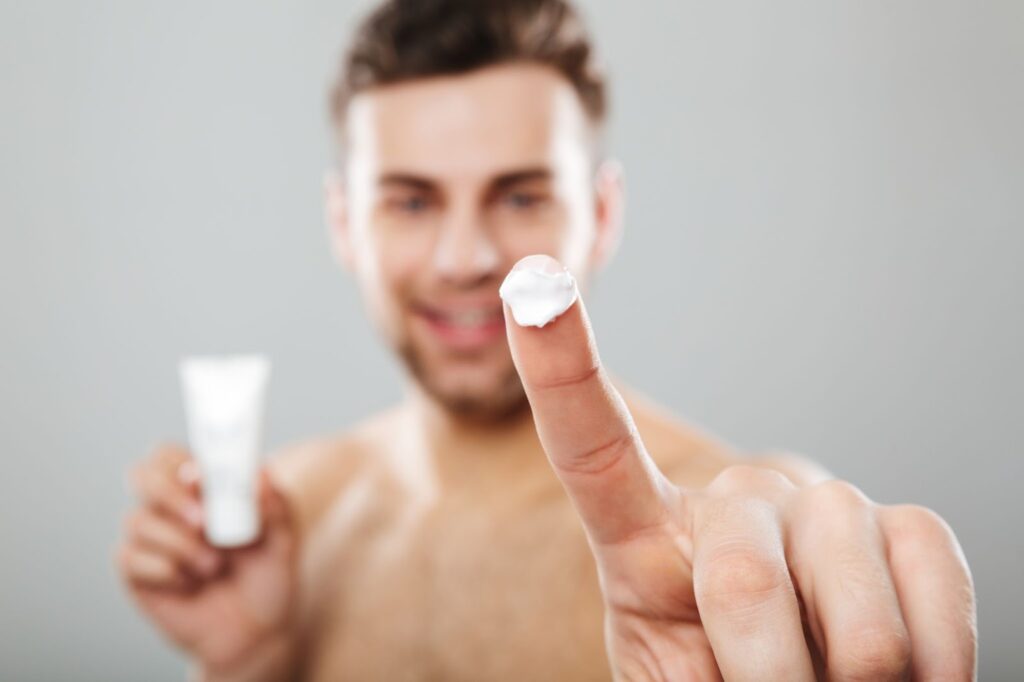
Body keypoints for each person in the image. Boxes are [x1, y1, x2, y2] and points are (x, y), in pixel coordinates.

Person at [115, 0, 977, 679]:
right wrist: (248, 666)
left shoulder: (721, 535)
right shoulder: (293, 516)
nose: (464, 258)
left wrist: (812, 602)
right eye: (410, 201)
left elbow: (809, 561)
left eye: (522, 196)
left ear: (603, 214)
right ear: (344, 223)